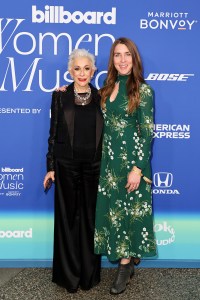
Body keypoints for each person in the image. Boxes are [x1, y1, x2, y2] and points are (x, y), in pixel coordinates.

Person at [94, 37, 157, 295]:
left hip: (132, 163)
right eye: (117, 55)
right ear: (113, 60)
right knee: (116, 214)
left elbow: (147, 132)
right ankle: (127, 261)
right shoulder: (107, 88)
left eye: (127, 55)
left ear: (134, 58)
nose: (122, 60)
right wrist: (66, 92)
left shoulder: (143, 91)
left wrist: (138, 169)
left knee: (129, 213)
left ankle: (124, 267)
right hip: (110, 165)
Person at [43, 49, 104, 293]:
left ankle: (89, 276)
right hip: (65, 165)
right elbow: (53, 133)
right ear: (70, 71)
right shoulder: (59, 96)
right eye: (77, 68)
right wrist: (50, 167)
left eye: (86, 68)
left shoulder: (103, 97)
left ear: (93, 71)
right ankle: (69, 277)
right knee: (68, 222)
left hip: (95, 166)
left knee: (90, 221)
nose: (81, 73)